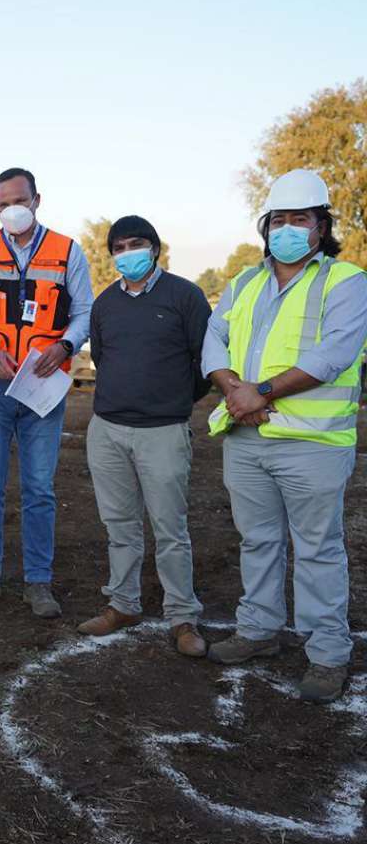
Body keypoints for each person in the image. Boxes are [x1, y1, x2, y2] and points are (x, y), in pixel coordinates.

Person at [203, 168, 367, 704]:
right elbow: (215, 338)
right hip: (247, 436)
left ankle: (327, 654)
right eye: (279, 220)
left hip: (312, 444)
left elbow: (333, 355)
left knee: (318, 548)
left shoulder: (345, 281)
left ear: (322, 226)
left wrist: (262, 392)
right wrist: (233, 389)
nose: (288, 229)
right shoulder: (245, 282)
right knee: (258, 540)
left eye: (301, 219)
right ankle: (258, 631)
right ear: (265, 225)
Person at [0, 168, 93, 618]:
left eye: (20, 199)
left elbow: (86, 310)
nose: (12, 208)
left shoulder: (68, 251)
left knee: (39, 488)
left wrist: (65, 345)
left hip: (42, 386)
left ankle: (38, 582)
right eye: (2, 202)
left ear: (37, 199)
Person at [77, 216, 211, 656]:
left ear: (155, 248)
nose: (127, 253)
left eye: (136, 244)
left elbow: (204, 363)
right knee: (119, 524)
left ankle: (182, 615)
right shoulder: (105, 303)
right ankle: (123, 602)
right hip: (109, 430)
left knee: (170, 528)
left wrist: (170, 402)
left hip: (163, 431)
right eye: (119, 246)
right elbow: (102, 356)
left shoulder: (185, 296)